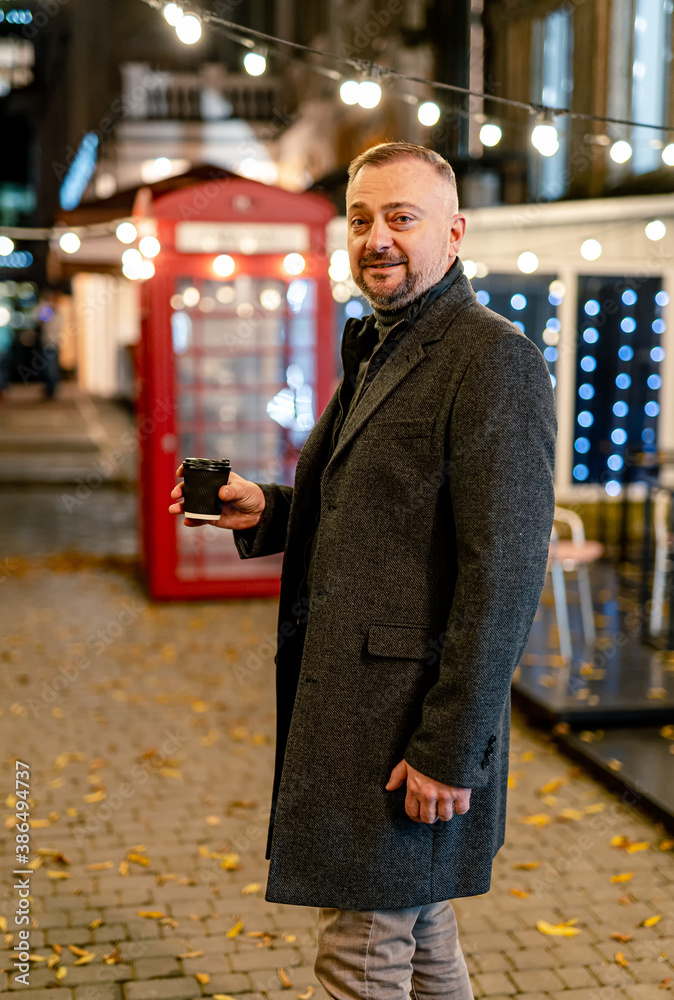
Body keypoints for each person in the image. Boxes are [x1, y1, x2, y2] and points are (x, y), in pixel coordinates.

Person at [169, 141, 557, 1000]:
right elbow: (378, 507)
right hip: (355, 713)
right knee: (420, 943)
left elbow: (504, 573)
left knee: (360, 958)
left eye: (401, 218)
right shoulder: (382, 344)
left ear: (453, 233)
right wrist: (266, 509)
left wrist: (451, 750)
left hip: (405, 727)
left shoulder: (490, 358)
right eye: (361, 219)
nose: (376, 238)